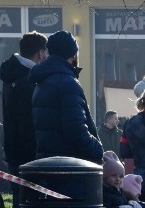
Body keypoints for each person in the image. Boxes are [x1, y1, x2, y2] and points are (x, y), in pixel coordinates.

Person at [0, 31, 47, 208]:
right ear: (40, 53)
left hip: (15, 154)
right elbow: (31, 122)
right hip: (31, 155)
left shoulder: (10, 75)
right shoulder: (30, 79)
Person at [31, 30, 103, 164]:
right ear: (74, 54)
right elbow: (76, 130)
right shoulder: (68, 83)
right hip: (71, 165)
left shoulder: (42, 82)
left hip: (47, 163)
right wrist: (98, 150)